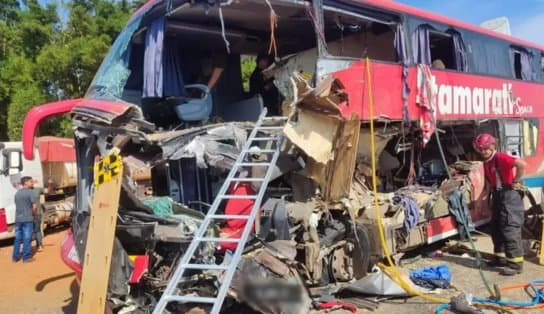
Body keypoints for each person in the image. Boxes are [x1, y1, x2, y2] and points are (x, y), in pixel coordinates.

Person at [473, 133, 526, 275]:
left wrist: (516, 180)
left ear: (492, 146)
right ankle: (500, 258)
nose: (483, 151)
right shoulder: (487, 162)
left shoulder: (501, 157)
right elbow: (489, 185)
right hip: (497, 196)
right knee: (496, 228)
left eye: (486, 148)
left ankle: (515, 264)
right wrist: (480, 201)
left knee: (510, 228)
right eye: (481, 149)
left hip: (510, 196)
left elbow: (521, 164)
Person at [12, 176, 38, 263]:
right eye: (31, 181)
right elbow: (34, 206)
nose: (32, 183)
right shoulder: (30, 192)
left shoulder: (17, 193)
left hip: (18, 219)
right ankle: (26, 258)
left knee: (18, 238)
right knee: (27, 238)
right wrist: (34, 215)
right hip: (27, 219)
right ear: (25, 183)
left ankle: (15, 257)